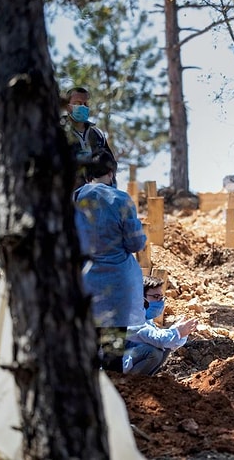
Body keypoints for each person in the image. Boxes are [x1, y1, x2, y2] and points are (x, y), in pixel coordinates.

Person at [74, 149, 146, 371]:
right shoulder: (121, 199)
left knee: (87, 352)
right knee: (114, 354)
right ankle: (113, 400)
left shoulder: (75, 198)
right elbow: (135, 243)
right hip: (117, 288)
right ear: (111, 172)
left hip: (85, 285)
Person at [123, 276, 199, 375]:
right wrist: (177, 332)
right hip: (111, 369)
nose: (160, 301)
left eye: (161, 297)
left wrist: (181, 332)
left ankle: (143, 382)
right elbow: (156, 338)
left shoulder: (146, 320)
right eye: (155, 297)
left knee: (164, 348)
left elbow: (167, 342)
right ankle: (128, 384)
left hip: (126, 363)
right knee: (152, 352)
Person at [64, 86, 115, 187]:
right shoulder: (59, 132)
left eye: (85, 104)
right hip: (68, 193)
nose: (82, 106)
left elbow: (110, 164)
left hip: (97, 193)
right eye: (77, 103)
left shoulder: (97, 135)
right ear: (67, 106)